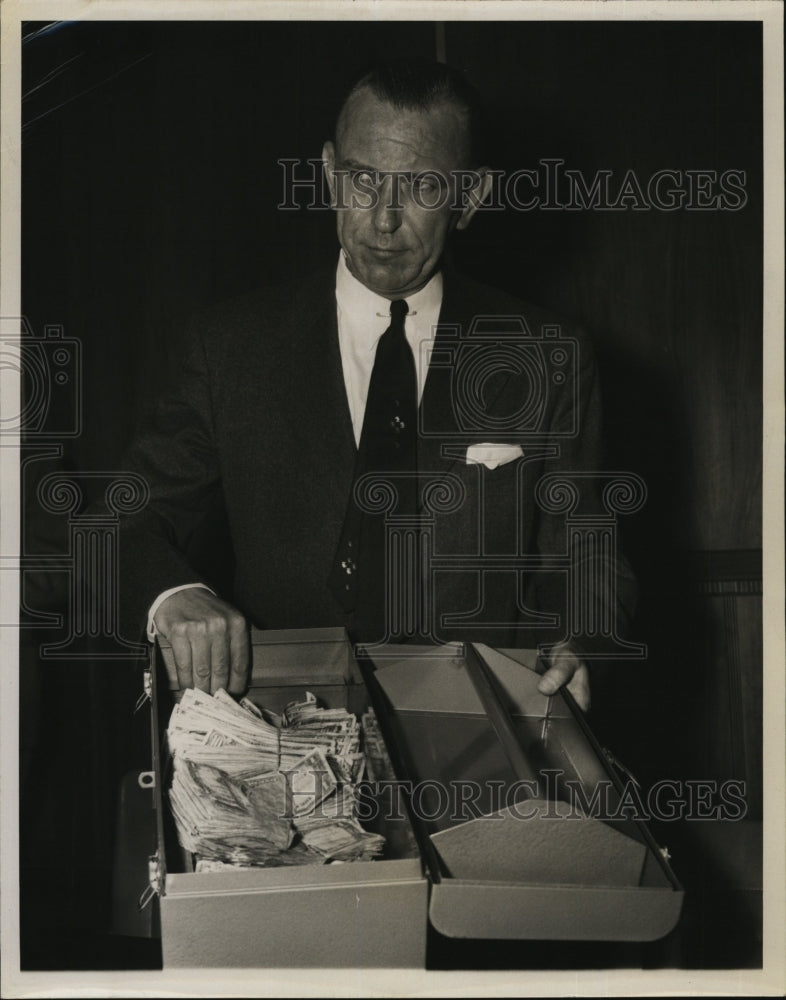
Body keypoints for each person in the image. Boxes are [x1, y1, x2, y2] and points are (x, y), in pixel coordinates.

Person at [116, 58, 636, 711]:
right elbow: (124, 522)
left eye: (419, 187)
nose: (383, 221)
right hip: (279, 738)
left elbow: (587, 551)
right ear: (332, 174)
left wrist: (582, 641)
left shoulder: (547, 354)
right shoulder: (229, 349)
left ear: (469, 198)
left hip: (478, 732)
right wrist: (171, 596)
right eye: (364, 180)